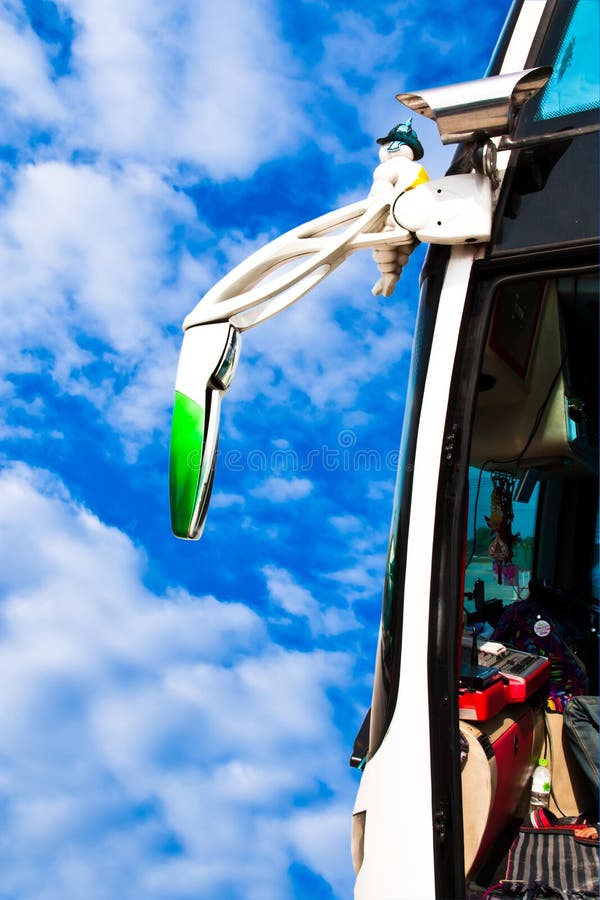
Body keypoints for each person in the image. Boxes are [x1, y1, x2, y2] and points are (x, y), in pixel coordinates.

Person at [368, 119, 429, 297]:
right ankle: (390, 275)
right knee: (400, 251)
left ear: (393, 146)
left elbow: (381, 191)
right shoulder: (418, 168)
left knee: (382, 246)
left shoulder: (388, 167)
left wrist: (371, 218)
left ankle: (388, 274)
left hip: (394, 216)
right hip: (414, 220)